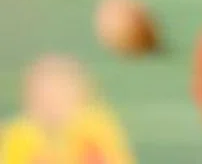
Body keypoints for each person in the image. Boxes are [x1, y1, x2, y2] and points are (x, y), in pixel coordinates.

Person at [0, 56, 133, 164]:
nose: (50, 105)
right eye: (41, 97)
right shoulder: (17, 137)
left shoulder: (95, 130)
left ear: (80, 96)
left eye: (58, 95)